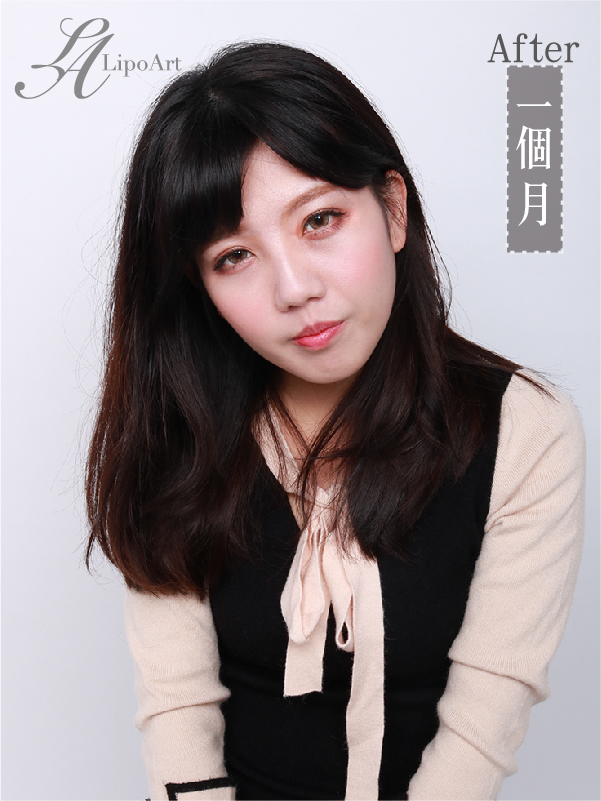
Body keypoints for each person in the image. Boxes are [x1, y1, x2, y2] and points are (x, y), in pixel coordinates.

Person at [85, 42, 585, 801]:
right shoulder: (182, 426)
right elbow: (178, 715)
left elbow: (482, 726)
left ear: (392, 210)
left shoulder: (523, 430)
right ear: (200, 289)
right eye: (233, 257)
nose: (293, 289)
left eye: (319, 219)